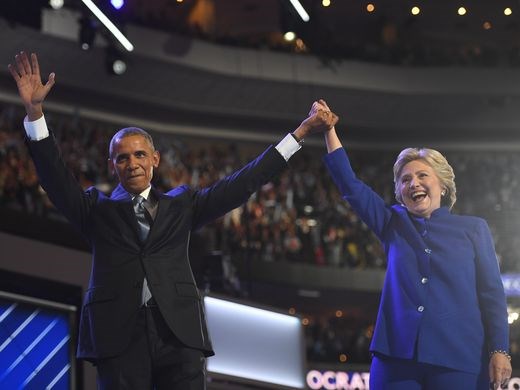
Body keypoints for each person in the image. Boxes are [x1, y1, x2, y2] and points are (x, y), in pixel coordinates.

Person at [8, 51, 338, 390]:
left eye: (139, 154)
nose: (132, 163)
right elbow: (55, 180)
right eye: (122, 158)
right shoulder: (96, 210)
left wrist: (299, 133)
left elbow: (243, 183)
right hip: (118, 337)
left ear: (155, 159)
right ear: (112, 165)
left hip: (178, 334)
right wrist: (35, 113)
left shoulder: (183, 204)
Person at [318, 99, 512, 389]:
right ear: (398, 191)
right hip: (395, 360)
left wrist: (499, 350)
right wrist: (328, 131)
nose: (413, 183)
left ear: (442, 185)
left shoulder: (473, 229)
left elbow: (492, 296)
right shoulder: (391, 223)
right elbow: (351, 186)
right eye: (405, 179)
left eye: (423, 175)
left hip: (460, 359)